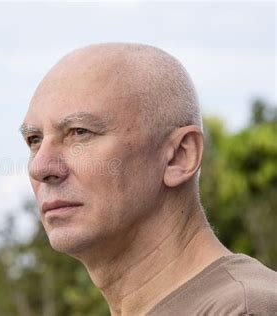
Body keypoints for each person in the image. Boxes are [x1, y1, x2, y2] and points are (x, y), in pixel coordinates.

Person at [19, 43, 277, 315]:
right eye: (34, 140)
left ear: (179, 155)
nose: (40, 166)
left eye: (80, 132)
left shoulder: (243, 309)